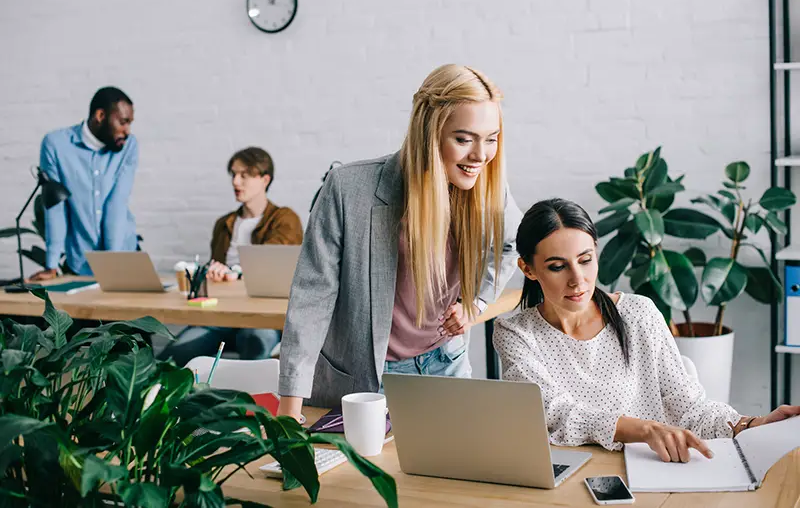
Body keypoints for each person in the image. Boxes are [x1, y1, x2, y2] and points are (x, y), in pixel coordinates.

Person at [277, 64, 523, 419]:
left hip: (446, 364)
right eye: (464, 138)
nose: (481, 155)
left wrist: (476, 303)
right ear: (429, 131)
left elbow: (511, 243)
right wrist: (289, 411)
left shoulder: (488, 187)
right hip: (366, 380)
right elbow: (312, 299)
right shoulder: (348, 189)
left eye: (491, 138)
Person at [493, 198, 800, 463]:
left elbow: (690, 408)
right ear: (528, 269)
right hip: (568, 481)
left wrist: (749, 425)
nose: (578, 279)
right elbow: (552, 414)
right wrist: (643, 429)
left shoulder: (638, 313)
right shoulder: (515, 333)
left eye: (586, 260)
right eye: (558, 267)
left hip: (651, 471)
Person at [159, 147, 303, 365]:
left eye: (244, 175)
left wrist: (234, 274)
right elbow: (214, 271)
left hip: (260, 318)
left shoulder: (284, 219)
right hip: (222, 314)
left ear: (265, 179)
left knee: (255, 347)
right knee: (171, 357)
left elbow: (271, 268)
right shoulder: (224, 224)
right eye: (234, 175)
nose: (236, 182)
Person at [30, 87, 138, 280]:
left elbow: (117, 204)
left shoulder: (128, 146)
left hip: (123, 256)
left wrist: (112, 266)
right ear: (100, 115)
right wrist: (51, 265)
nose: (127, 131)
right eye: (123, 122)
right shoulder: (55, 145)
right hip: (80, 263)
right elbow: (55, 207)